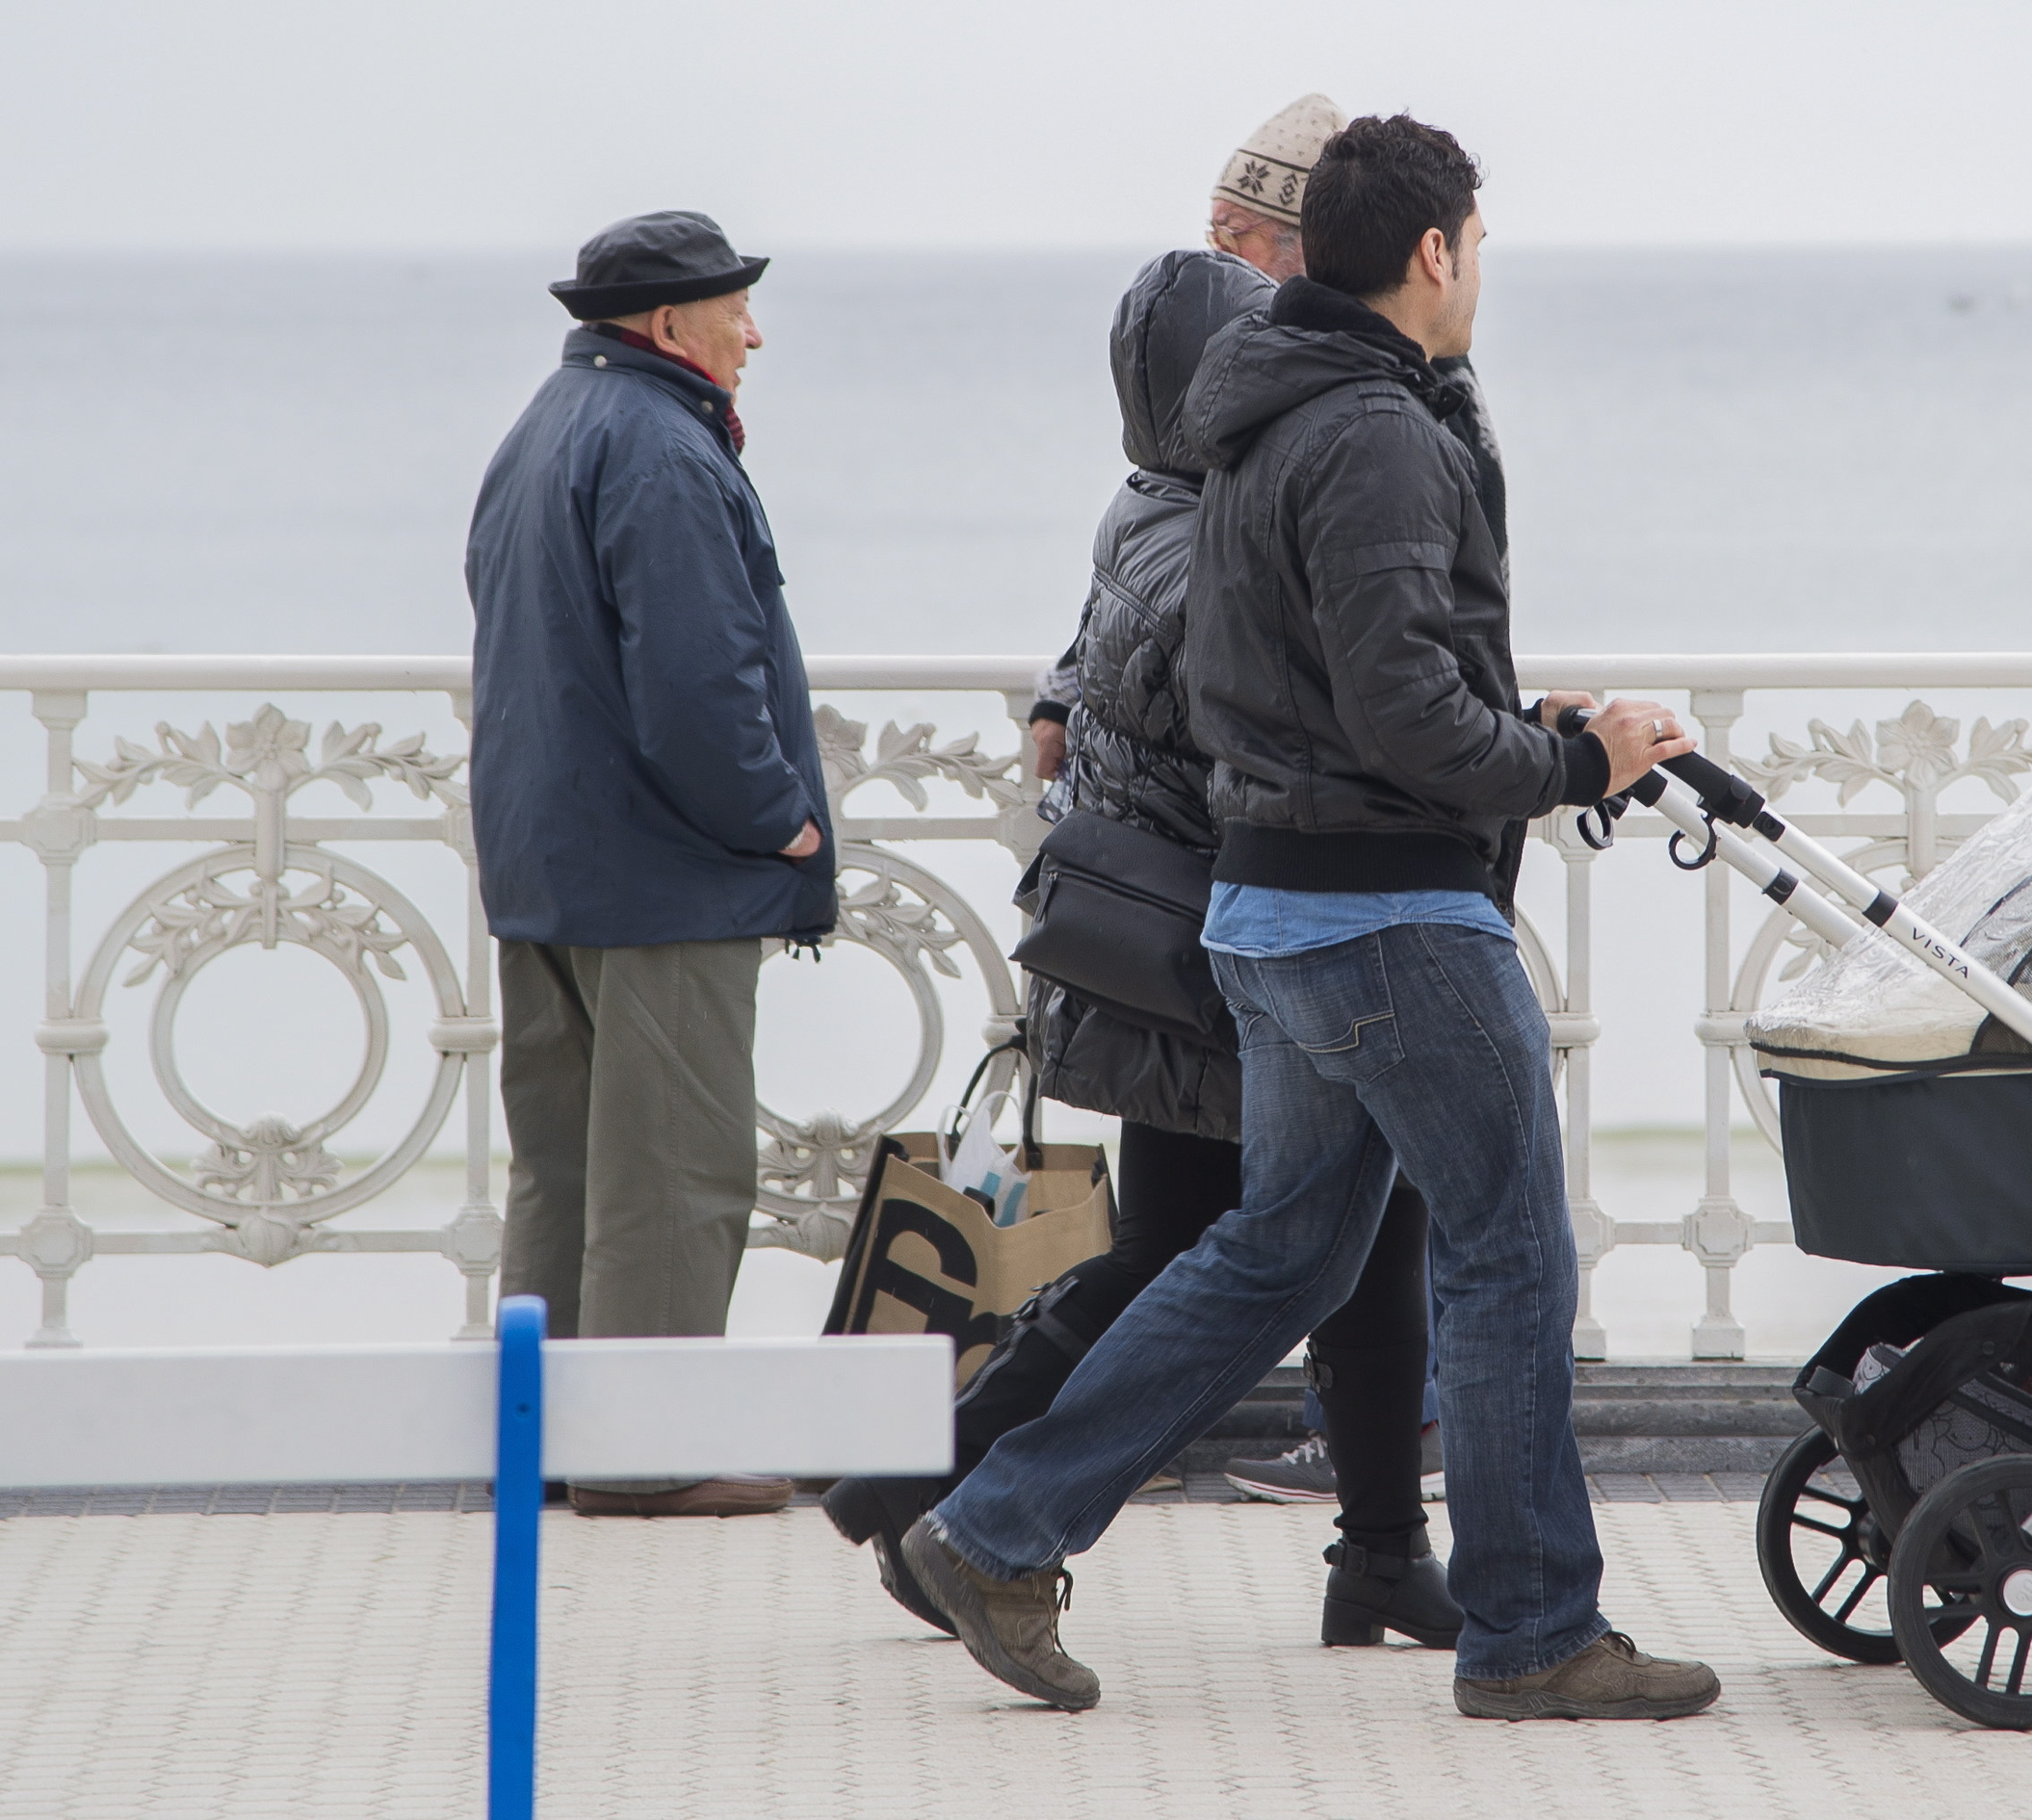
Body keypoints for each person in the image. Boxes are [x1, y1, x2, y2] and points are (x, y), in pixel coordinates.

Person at [899, 115, 1721, 1722]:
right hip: (1390, 914)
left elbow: (1320, 676)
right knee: (1506, 1257)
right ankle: (1538, 1630)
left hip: (1270, 907)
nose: (1480, 275)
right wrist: (1571, 755)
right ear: (1432, 253)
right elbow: (1408, 714)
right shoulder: (1384, 432)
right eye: (1476, 247)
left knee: (1277, 1253)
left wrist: (1514, 709)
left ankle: (994, 1526)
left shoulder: (1254, 422)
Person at [822, 243, 1461, 1654]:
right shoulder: (1216, 532)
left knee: (1247, 1243)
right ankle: (945, 1492)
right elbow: (1290, 716)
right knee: (1290, 1244)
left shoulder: (1153, 501)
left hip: (1182, 948)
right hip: (1237, 953)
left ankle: (922, 1484)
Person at [465, 211, 833, 1519]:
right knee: (673, 1170)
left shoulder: (548, 425)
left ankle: (549, 1438)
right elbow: (695, 683)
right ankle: (648, 1452)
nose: (752, 331)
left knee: (561, 1166)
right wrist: (780, 819)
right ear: (671, 326)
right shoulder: (664, 448)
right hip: (663, 871)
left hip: (548, 858)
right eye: (735, 307)